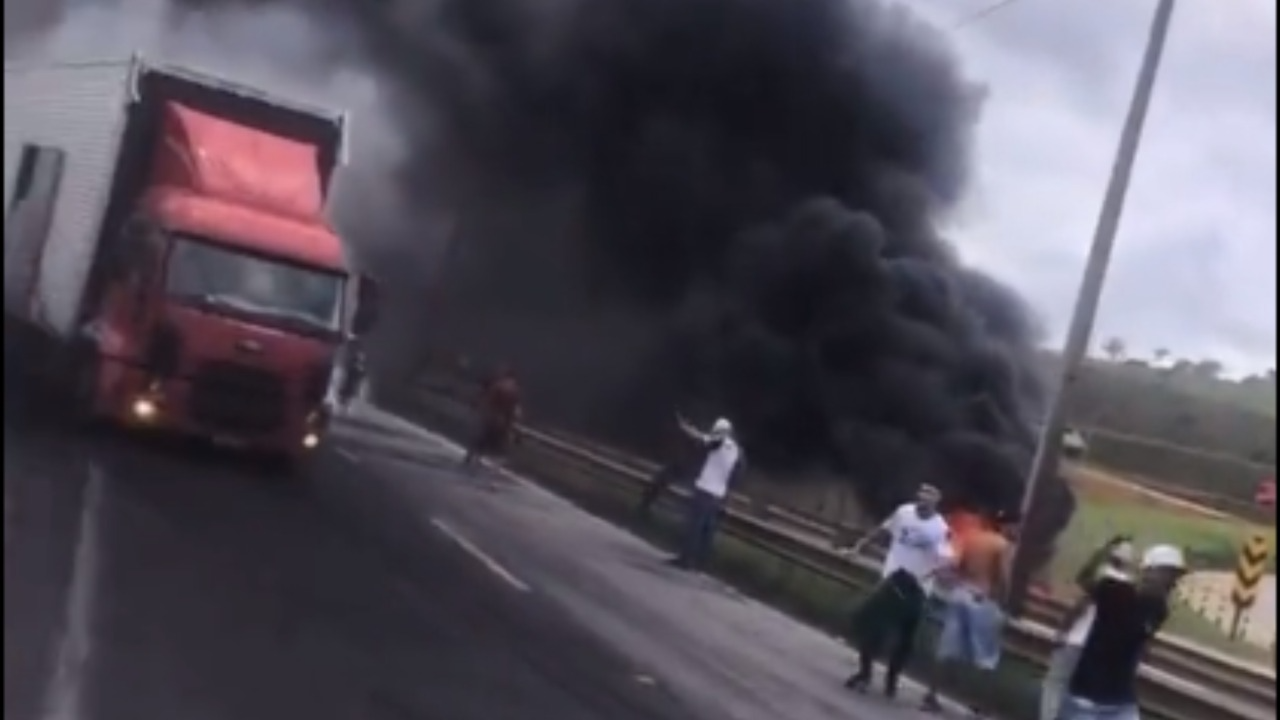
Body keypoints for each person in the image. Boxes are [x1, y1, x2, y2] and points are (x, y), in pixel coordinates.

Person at [840, 484, 952, 699]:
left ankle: (892, 679)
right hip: (891, 580)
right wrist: (858, 547)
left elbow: (945, 560)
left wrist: (928, 575)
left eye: (929, 497)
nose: (923, 500)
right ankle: (865, 672)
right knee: (869, 624)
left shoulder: (940, 528)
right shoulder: (904, 512)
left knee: (905, 638)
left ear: (937, 502)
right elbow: (883, 530)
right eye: (921, 494)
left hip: (917, 588)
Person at [1056, 543, 1187, 720]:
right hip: (1086, 696)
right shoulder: (1115, 590)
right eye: (1167, 574)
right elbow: (1083, 587)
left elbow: (1142, 641)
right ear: (1148, 572)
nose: (1172, 582)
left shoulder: (1158, 609)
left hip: (1120, 699)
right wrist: (1103, 551)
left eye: (1175, 576)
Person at [920, 508, 1021, 715]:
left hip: (960, 593)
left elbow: (957, 566)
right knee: (987, 657)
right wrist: (1006, 603)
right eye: (1016, 526)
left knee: (946, 649)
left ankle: (931, 695)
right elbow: (1003, 577)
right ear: (1007, 525)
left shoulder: (973, 538)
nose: (1018, 530)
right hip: (983, 600)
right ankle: (982, 705)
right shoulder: (1003, 546)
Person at [1040, 537, 1137, 720]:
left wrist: (1062, 631)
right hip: (1095, 647)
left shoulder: (1101, 577)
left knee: (1054, 684)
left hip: (1076, 639)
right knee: (1073, 693)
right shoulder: (1130, 588)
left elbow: (1079, 604)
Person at [668, 415, 741, 572]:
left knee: (694, 526)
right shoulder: (735, 449)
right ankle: (702, 563)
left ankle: (685, 559)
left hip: (705, 490)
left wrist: (686, 428)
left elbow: (701, 439)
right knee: (707, 531)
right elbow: (736, 474)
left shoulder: (717, 443)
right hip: (718, 495)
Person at [461, 364, 522, 470]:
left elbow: (489, 399)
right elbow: (514, 407)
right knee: (491, 438)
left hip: (491, 415)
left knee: (481, 437)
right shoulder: (514, 388)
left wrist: (480, 409)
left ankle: (472, 456)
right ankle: (481, 457)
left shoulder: (499, 385)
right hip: (500, 418)